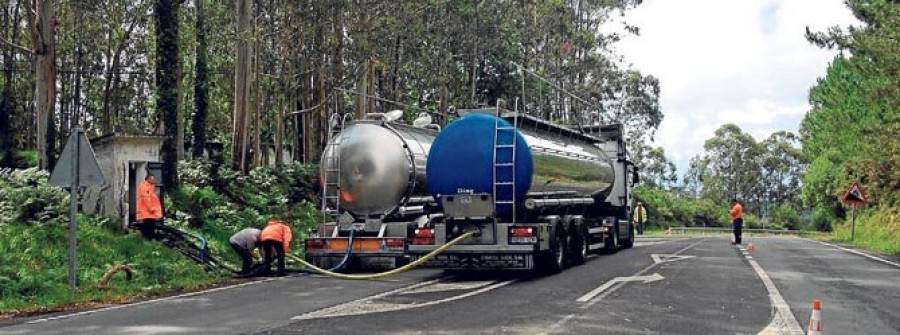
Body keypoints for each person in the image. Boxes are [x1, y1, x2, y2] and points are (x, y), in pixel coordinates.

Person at [135, 173, 163, 239]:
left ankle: (149, 237)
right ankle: (148, 237)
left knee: (150, 224)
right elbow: (146, 198)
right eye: (152, 179)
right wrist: (151, 207)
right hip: (147, 210)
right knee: (148, 224)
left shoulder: (150, 186)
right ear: (148, 179)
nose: (153, 180)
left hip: (149, 210)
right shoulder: (145, 186)